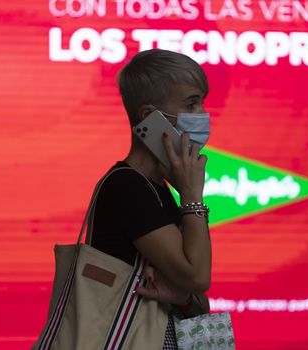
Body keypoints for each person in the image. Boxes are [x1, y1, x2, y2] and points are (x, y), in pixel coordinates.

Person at [90, 48, 211, 349]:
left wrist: (183, 298)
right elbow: (198, 275)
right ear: (150, 118)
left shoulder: (158, 187)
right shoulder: (126, 186)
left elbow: (198, 298)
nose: (203, 116)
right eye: (191, 104)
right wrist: (192, 196)